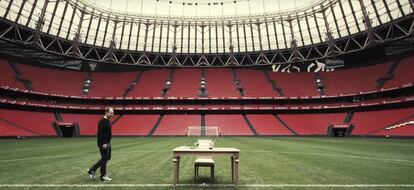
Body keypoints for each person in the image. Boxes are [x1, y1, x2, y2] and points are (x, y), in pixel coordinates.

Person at [87, 107, 115, 182]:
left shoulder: (107, 120)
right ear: (106, 112)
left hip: (107, 143)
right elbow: (100, 134)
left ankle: (92, 170)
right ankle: (103, 176)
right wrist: (103, 144)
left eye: (113, 113)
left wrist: (108, 143)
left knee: (107, 157)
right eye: (111, 113)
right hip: (103, 143)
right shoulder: (102, 121)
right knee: (105, 158)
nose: (113, 114)